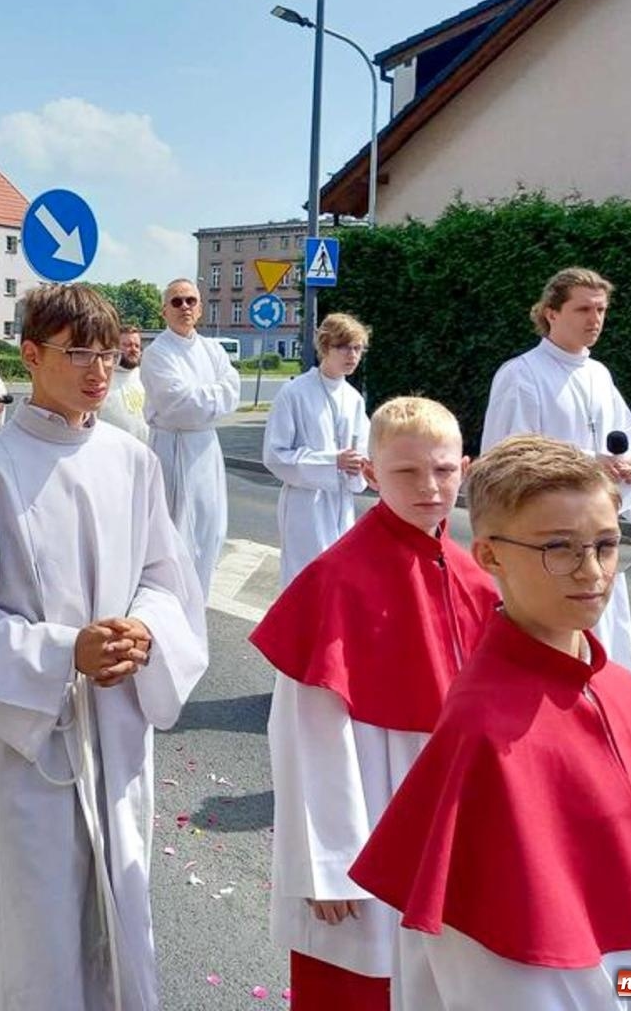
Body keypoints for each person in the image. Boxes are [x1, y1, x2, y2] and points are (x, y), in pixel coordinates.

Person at [351, 436, 631, 1009]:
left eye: (606, 545)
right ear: (489, 556)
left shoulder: (629, 697)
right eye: (558, 547)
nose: (592, 572)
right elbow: (495, 969)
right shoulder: (484, 733)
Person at [0, 284, 208, 1011]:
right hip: (37, 739)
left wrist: (145, 627)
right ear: (30, 354)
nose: (97, 370)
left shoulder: (131, 459)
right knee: (41, 920)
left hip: (117, 724)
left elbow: (164, 577)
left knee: (124, 902)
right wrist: (61, 654)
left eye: (107, 354)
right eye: (78, 352)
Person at [250, 396, 500, 1009]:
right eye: (406, 472)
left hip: (445, 816)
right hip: (367, 815)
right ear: (370, 474)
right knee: (361, 983)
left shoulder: (473, 575)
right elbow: (306, 732)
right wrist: (327, 863)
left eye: (442, 471)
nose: (429, 487)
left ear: (464, 469)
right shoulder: (338, 577)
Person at [482, 267, 631, 674]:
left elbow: (625, 434)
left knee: (607, 642)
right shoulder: (522, 375)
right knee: (553, 648)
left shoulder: (599, 374)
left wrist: (628, 465)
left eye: (602, 309)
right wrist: (590, 464)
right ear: (551, 312)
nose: (595, 319)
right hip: (550, 543)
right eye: (583, 309)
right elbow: (508, 460)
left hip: (598, 534)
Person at [140, 278, 239, 598]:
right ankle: (170, 605)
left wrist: (202, 400)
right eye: (177, 301)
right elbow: (177, 405)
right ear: (164, 311)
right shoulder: (158, 353)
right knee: (173, 534)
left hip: (206, 449)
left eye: (191, 301)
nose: (185, 307)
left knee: (209, 530)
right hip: (172, 448)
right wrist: (212, 398)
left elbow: (232, 391)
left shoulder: (213, 350)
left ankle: (200, 602)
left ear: (200, 309)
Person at [263, 312, 372, 587]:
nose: (352, 355)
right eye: (343, 346)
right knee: (305, 578)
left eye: (357, 348)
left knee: (339, 578)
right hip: (304, 504)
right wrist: (332, 461)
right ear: (325, 347)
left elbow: (365, 449)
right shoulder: (295, 393)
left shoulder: (354, 399)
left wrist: (365, 466)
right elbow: (275, 455)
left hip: (341, 501)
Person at [96, 323, 148, 442]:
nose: (133, 350)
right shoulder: (102, 379)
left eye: (137, 346)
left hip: (146, 453)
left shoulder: (145, 377)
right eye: (127, 345)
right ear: (114, 348)